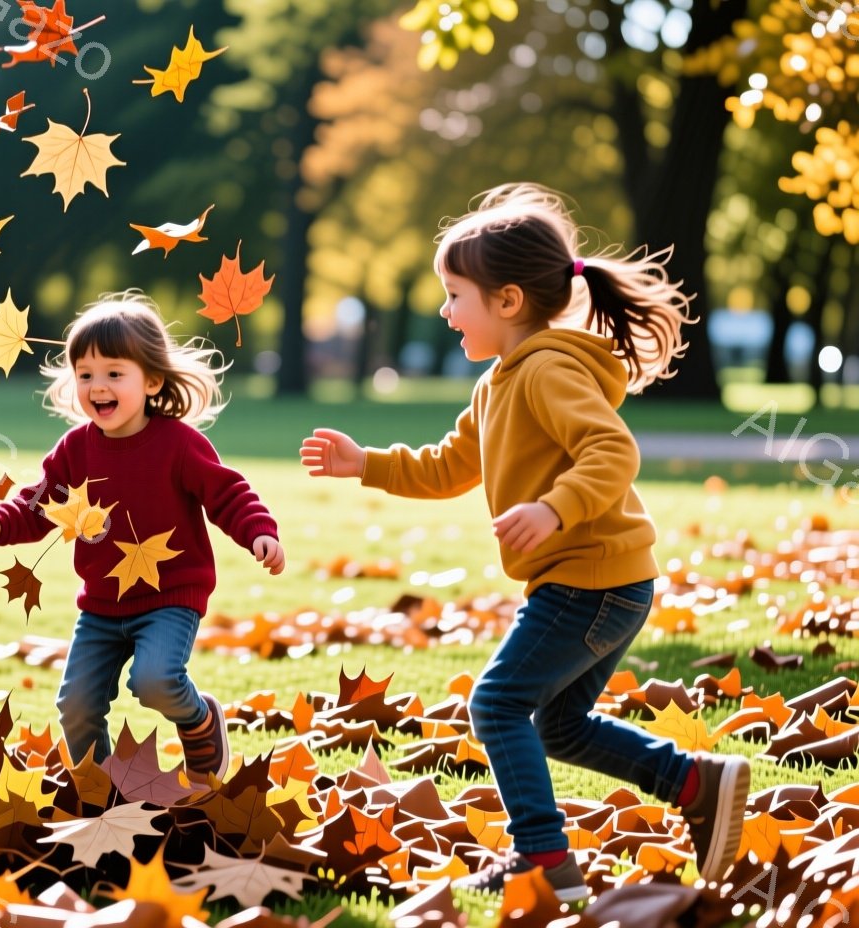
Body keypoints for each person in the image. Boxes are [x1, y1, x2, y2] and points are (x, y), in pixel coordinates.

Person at [300, 183, 746, 900]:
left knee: (497, 703)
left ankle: (542, 858)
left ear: (507, 301)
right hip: (599, 581)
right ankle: (695, 783)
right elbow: (448, 467)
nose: (445, 311)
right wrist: (367, 464)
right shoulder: (498, 383)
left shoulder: (546, 369)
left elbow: (612, 451)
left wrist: (554, 509)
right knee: (560, 726)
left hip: (590, 579)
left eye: (456, 296)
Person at [0, 291, 284, 781]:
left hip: (169, 596)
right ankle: (102, 786)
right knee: (76, 705)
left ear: (151, 380)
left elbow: (227, 493)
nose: (98, 386)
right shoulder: (75, 450)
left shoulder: (179, 444)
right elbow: (39, 502)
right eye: (86, 375)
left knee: (155, 681)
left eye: (114, 373)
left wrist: (259, 531)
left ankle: (200, 722)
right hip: (101, 605)